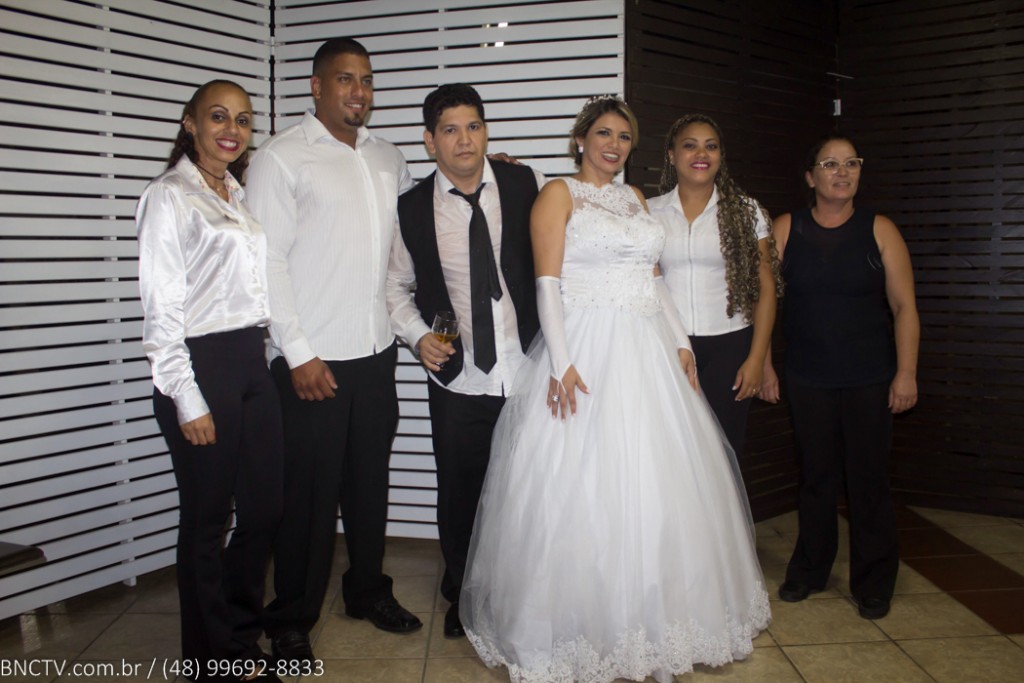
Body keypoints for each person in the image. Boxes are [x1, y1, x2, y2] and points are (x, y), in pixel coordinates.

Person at [460, 96, 770, 683]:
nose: (614, 145)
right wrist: (561, 362)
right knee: (581, 484)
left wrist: (680, 340)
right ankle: (578, 626)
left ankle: (656, 623)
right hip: (585, 344)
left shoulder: (635, 199)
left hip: (646, 343)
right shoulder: (558, 194)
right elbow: (547, 283)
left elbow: (654, 279)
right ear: (581, 139)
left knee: (659, 481)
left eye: (624, 137)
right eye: (603, 133)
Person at [245, 37, 420, 662]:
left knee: (369, 488)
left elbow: (418, 223)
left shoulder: (387, 156)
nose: (358, 91)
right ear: (316, 86)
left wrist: (493, 171)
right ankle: (290, 618)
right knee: (308, 503)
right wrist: (296, 353)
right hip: (311, 363)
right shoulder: (281, 158)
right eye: (345, 79)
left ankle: (367, 591)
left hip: (375, 352)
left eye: (366, 80)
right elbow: (266, 263)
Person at [386, 83, 545, 639]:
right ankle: (463, 592)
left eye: (473, 126)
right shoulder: (410, 208)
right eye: (450, 130)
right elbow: (395, 287)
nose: (464, 140)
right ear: (430, 141)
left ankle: (524, 590)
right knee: (460, 493)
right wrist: (416, 337)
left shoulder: (526, 183)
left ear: (486, 131)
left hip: (529, 369)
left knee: (530, 488)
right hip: (460, 376)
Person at [137, 80, 283, 681]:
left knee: (265, 510)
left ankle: (239, 638)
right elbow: (161, 310)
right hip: (200, 368)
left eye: (243, 120)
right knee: (205, 522)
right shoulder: (169, 196)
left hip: (250, 362)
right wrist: (186, 396)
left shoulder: (237, 195)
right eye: (218, 117)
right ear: (190, 123)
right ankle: (211, 659)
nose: (232, 129)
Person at [764, 134, 919, 620]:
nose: (842, 172)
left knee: (869, 480)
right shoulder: (785, 228)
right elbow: (763, 302)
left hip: (870, 378)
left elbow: (904, 307)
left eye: (851, 163)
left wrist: (906, 373)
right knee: (816, 477)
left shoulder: (880, 229)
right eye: (830, 164)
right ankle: (810, 569)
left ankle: (874, 581)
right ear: (810, 176)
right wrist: (763, 362)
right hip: (808, 376)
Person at [649, 114, 782, 455]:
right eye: (690, 145)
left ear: (721, 156)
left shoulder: (746, 211)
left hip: (731, 346)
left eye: (711, 146)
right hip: (669, 345)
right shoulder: (649, 213)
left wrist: (757, 358)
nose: (701, 154)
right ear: (671, 155)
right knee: (674, 451)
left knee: (724, 452)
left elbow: (766, 289)